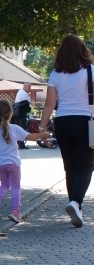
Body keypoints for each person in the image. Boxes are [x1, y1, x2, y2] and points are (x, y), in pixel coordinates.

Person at [38, 35, 94, 227]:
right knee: (86, 165)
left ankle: (75, 207)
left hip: (62, 122)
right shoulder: (91, 71)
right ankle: (76, 203)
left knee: (69, 166)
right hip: (85, 122)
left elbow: (49, 104)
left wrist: (42, 127)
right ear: (82, 50)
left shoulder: (55, 74)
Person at [0, 99, 50, 222]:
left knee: (4, 185)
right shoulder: (14, 128)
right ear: (11, 114)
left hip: (0, 164)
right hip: (13, 163)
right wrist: (43, 135)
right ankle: (15, 212)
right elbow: (30, 137)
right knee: (15, 187)